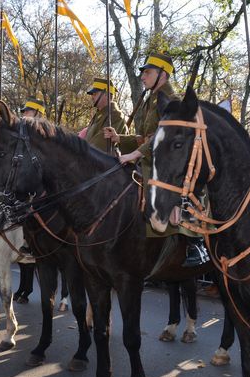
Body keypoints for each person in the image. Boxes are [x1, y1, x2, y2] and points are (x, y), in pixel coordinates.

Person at [104, 52, 209, 267]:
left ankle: (194, 243)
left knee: (169, 190)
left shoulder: (172, 101)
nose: (143, 77)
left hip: (166, 159)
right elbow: (143, 136)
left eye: (148, 73)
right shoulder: (150, 100)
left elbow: (165, 139)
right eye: (143, 73)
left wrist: (136, 153)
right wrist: (120, 139)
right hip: (148, 156)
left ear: (163, 74)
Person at [13, 94, 47, 303]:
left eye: (28, 112)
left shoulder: (43, 134)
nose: (24, 115)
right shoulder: (26, 136)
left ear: (38, 114)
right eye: (24, 112)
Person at [81, 77, 127, 153]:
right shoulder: (100, 114)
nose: (92, 97)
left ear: (106, 94)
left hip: (107, 162)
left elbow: (100, 144)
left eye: (95, 94)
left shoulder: (115, 114)